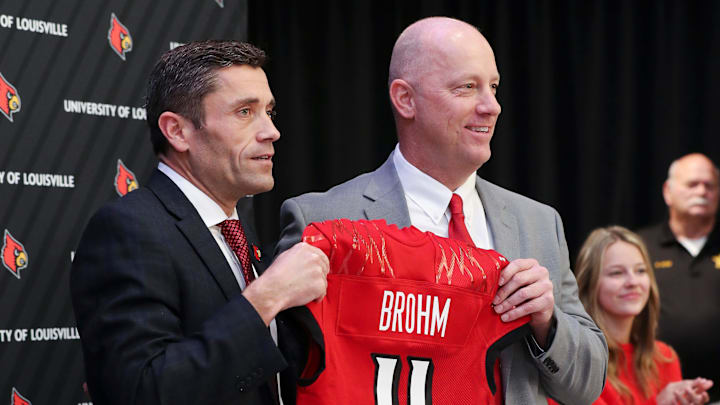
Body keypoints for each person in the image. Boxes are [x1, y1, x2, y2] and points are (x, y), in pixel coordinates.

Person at [276, 17, 608, 404]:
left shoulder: (537, 222)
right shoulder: (323, 220)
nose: (492, 106)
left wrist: (546, 322)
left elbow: (587, 386)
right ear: (405, 99)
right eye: (467, 87)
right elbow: (283, 378)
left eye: (494, 87)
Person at [70, 40, 330, 405]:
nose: (271, 131)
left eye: (269, 112)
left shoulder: (238, 234)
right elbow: (139, 392)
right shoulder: (128, 230)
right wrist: (267, 296)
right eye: (244, 112)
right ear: (177, 131)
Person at [571, 226, 712, 404]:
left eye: (640, 271)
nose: (633, 282)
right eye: (617, 273)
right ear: (589, 283)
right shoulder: (574, 362)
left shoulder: (664, 357)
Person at [638, 153, 720, 403]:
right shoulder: (641, 246)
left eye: (709, 185)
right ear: (668, 191)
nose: (702, 191)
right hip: (656, 393)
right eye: (692, 184)